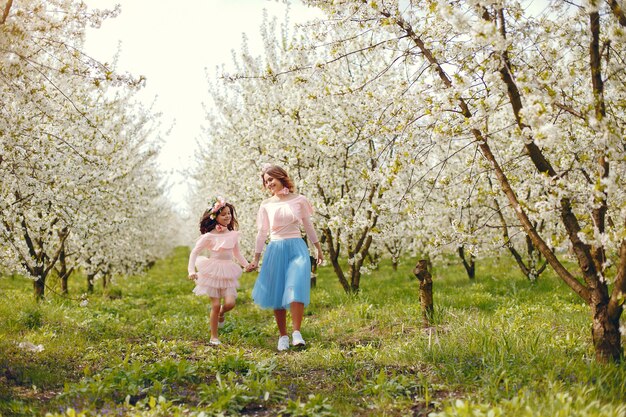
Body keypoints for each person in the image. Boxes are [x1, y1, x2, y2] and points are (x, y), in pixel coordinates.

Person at [246, 164, 323, 351]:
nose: (269, 184)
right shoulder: (265, 205)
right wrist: (256, 258)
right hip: (275, 248)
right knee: (278, 292)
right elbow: (262, 232)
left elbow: (308, 225)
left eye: (271, 179)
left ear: (281, 177)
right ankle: (283, 336)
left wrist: (318, 248)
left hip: (297, 247)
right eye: (266, 182)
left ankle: (297, 332)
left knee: (296, 286)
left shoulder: (299, 200)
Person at [188, 197, 249, 346]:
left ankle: (222, 312)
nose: (227, 216)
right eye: (223, 214)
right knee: (215, 305)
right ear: (215, 217)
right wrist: (191, 270)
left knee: (230, 303)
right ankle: (214, 336)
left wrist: (246, 265)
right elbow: (194, 253)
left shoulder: (233, 235)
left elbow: (237, 254)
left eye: (229, 213)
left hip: (228, 270)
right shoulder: (209, 236)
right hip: (212, 271)